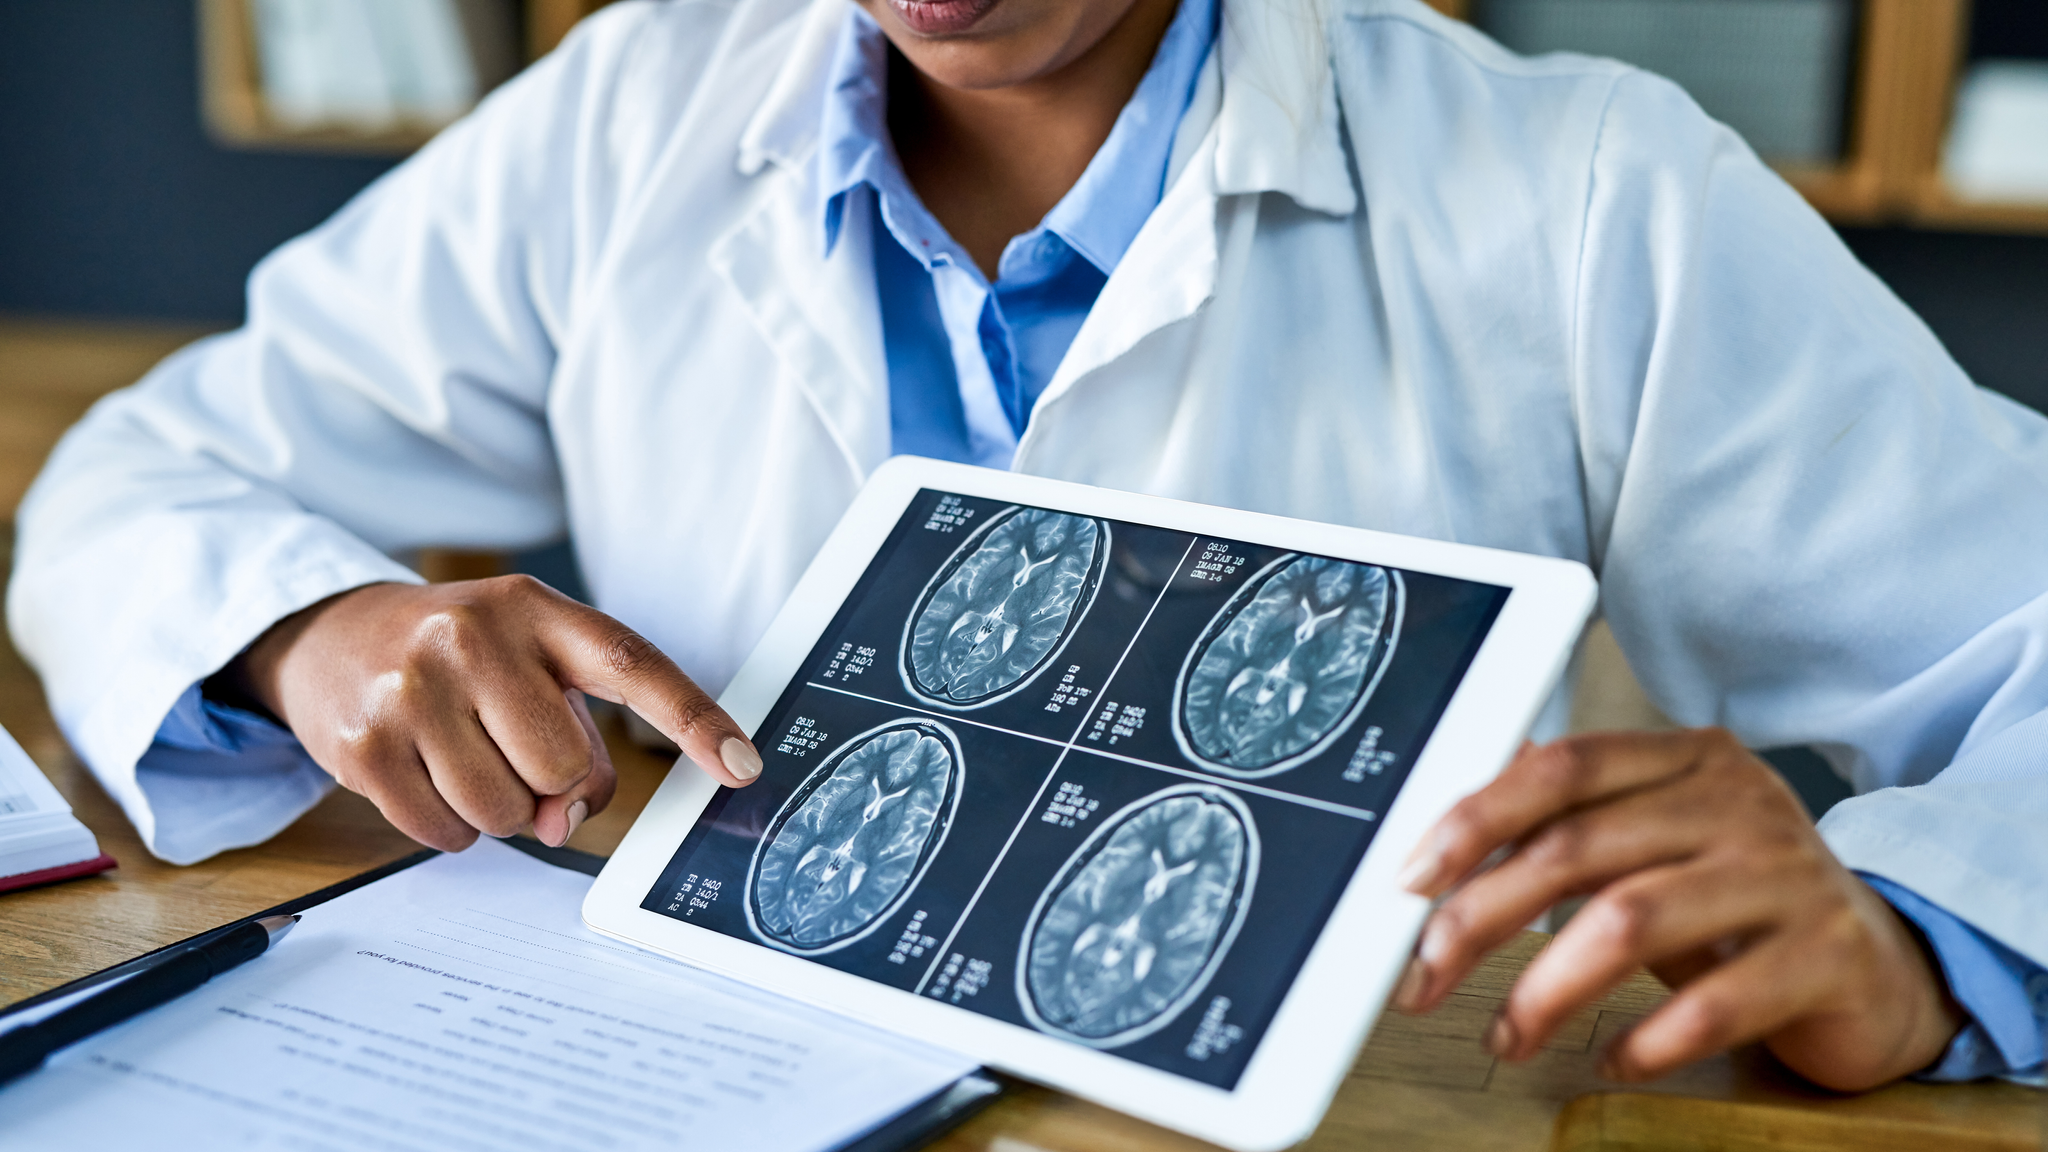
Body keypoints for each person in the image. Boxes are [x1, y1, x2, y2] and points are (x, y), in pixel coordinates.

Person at [9, 0, 2047, 1098]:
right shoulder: (627, 106)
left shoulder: (1587, 194)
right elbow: (140, 471)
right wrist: (309, 631)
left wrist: (1916, 944)